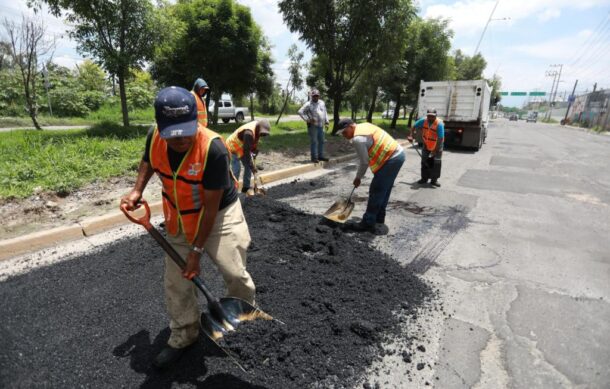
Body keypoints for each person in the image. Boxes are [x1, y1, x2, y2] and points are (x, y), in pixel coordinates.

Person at [120, 86, 255, 369]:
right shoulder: (154, 136)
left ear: (196, 119)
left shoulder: (213, 149)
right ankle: (184, 333)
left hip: (218, 215)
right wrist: (136, 191)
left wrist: (196, 252)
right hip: (178, 214)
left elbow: (208, 209)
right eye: (173, 132)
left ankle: (244, 327)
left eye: (186, 130)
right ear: (161, 126)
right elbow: (148, 161)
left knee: (234, 272)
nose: (180, 138)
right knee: (176, 281)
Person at [337, 119, 405, 232]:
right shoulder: (364, 126)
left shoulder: (358, 139)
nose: (344, 135)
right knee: (384, 189)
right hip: (397, 155)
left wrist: (358, 177)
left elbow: (364, 162)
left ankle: (368, 222)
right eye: (342, 134)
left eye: (344, 132)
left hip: (391, 158)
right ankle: (379, 218)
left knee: (377, 190)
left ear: (351, 126)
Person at [225, 119, 271, 193]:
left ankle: (246, 187)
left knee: (248, 166)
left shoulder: (257, 129)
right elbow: (246, 153)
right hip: (232, 146)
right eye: (262, 134)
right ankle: (232, 190)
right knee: (237, 169)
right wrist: (252, 167)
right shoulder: (248, 133)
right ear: (259, 128)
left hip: (242, 147)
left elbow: (252, 142)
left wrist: (254, 150)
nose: (262, 136)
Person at [408, 109, 444, 187]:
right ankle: (424, 178)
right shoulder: (423, 121)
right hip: (426, 145)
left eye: (432, 116)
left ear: (435, 116)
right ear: (427, 115)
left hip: (437, 146)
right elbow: (414, 126)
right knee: (424, 162)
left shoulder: (439, 124)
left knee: (436, 163)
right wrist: (411, 135)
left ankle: (434, 180)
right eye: (429, 116)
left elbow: (440, 139)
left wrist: (435, 150)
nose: (430, 117)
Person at [298, 89, 329, 163]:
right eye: (314, 96)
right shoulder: (308, 104)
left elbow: (325, 112)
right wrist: (308, 120)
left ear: (319, 96)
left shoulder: (322, 103)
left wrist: (327, 122)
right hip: (313, 126)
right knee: (314, 142)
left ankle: (320, 156)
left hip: (321, 125)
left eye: (317, 96)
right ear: (312, 96)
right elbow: (300, 112)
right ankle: (314, 157)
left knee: (321, 141)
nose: (315, 97)